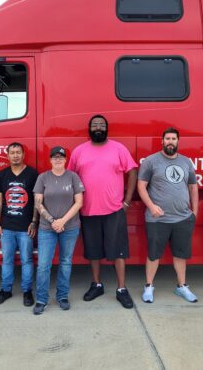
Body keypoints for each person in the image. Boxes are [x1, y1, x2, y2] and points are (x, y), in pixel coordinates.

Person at [68, 115, 138, 309]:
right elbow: (71, 176)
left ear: (107, 128)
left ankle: (121, 289)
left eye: (102, 125)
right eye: (95, 125)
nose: (98, 128)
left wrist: (127, 200)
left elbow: (132, 171)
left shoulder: (119, 148)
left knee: (119, 252)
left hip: (114, 210)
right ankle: (97, 285)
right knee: (93, 252)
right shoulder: (79, 151)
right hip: (88, 210)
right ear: (89, 128)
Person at [137, 127, 199, 303]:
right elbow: (141, 186)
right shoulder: (151, 161)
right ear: (162, 141)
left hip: (182, 218)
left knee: (180, 255)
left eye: (173, 139)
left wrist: (194, 212)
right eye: (167, 139)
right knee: (154, 254)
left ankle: (182, 287)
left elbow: (193, 187)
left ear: (178, 142)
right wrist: (151, 206)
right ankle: (148, 287)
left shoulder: (186, 162)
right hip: (158, 219)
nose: (170, 141)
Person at [32, 146, 84, 315]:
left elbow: (79, 202)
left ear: (65, 159)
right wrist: (53, 221)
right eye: (55, 157)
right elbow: (38, 203)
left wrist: (62, 221)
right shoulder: (43, 178)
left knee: (66, 262)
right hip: (47, 228)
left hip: (69, 227)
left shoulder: (73, 177)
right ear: (50, 160)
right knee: (43, 265)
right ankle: (41, 299)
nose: (58, 160)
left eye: (61, 157)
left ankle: (62, 296)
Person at [0, 142, 38, 307]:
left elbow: (36, 201)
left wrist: (34, 222)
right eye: (12, 152)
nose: (16, 155)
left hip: (25, 228)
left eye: (18, 152)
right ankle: (6, 290)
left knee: (27, 260)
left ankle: (27, 292)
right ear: (8, 155)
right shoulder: (1, 175)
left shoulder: (33, 174)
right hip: (7, 227)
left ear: (23, 154)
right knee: (7, 260)